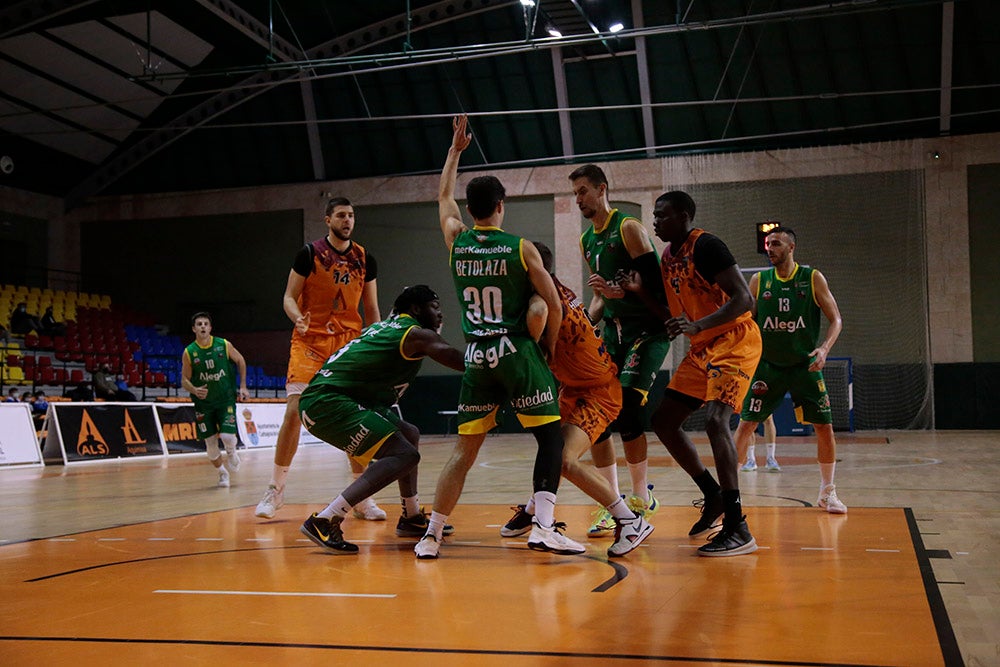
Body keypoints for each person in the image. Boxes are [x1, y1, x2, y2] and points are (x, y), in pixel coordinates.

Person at [414, 115, 583, 560]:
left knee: (463, 451)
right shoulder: (522, 247)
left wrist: (455, 151)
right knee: (550, 440)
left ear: (471, 211)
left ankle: (431, 534)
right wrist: (546, 349)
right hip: (517, 353)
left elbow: (443, 195)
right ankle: (544, 527)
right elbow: (554, 306)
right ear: (501, 205)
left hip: (477, 358)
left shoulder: (457, 240)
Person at [621, 190, 761, 556]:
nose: (655, 221)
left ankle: (738, 525)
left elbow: (745, 299)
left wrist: (700, 325)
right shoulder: (669, 256)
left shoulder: (707, 246)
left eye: (662, 215)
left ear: (683, 215)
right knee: (664, 421)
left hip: (734, 340)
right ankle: (712, 494)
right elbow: (674, 312)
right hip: (703, 347)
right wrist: (639, 293)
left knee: (717, 422)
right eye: (654, 215)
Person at [501, 242, 653, 557]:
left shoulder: (540, 302)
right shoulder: (559, 289)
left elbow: (540, 320)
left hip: (598, 392)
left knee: (565, 460)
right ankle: (533, 512)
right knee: (551, 450)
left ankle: (629, 520)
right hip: (575, 387)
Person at [299, 285, 466, 554]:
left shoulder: (389, 328)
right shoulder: (413, 334)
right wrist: (496, 363)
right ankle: (326, 519)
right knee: (404, 454)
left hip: (339, 397)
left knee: (408, 433)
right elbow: (456, 358)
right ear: (415, 309)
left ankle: (411, 517)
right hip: (327, 403)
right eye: (434, 307)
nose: (440, 314)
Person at [255, 196, 384, 520]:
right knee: (295, 411)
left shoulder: (365, 258)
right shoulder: (309, 254)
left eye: (351, 215)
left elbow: (371, 310)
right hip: (310, 342)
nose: (347, 220)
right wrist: (297, 315)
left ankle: (361, 496)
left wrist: (378, 343)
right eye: (341, 215)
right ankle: (275, 490)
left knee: (357, 416)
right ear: (327, 220)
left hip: (347, 344)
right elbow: (288, 296)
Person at [568, 164, 671, 536]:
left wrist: (622, 291)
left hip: (648, 329)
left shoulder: (627, 228)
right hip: (613, 332)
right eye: (575, 194)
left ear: (601, 189)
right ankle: (613, 502)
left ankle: (642, 498)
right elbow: (599, 299)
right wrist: (583, 322)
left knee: (628, 410)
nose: (578, 199)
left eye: (582, 191)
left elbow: (658, 289)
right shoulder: (586, 242)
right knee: (597, 414)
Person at [734, 226, 846, 512]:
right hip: (768, 366)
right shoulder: (760, 280)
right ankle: (728, 494)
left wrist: (824, 349)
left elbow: (836, 320)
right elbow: (745, 321)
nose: (770, 248)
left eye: (776, 244)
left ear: (791, 247)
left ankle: (827, 492)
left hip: (804, 365)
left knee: (824, 426)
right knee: (746, 424)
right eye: (768, 244)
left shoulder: (812, 278)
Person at [181, 311, 251, 488]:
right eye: (199, 324)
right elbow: (184, 380)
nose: (203, 326)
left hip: (225, 399)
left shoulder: (223, 344)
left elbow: (241, 360)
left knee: (227, 435)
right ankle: (222, 473)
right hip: (203, 404)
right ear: (194, 329)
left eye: (205, 323)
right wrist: (195, 390)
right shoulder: (189, 352)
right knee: (211, 447)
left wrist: (243, 386)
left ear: (210, 327)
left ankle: (232, 451)